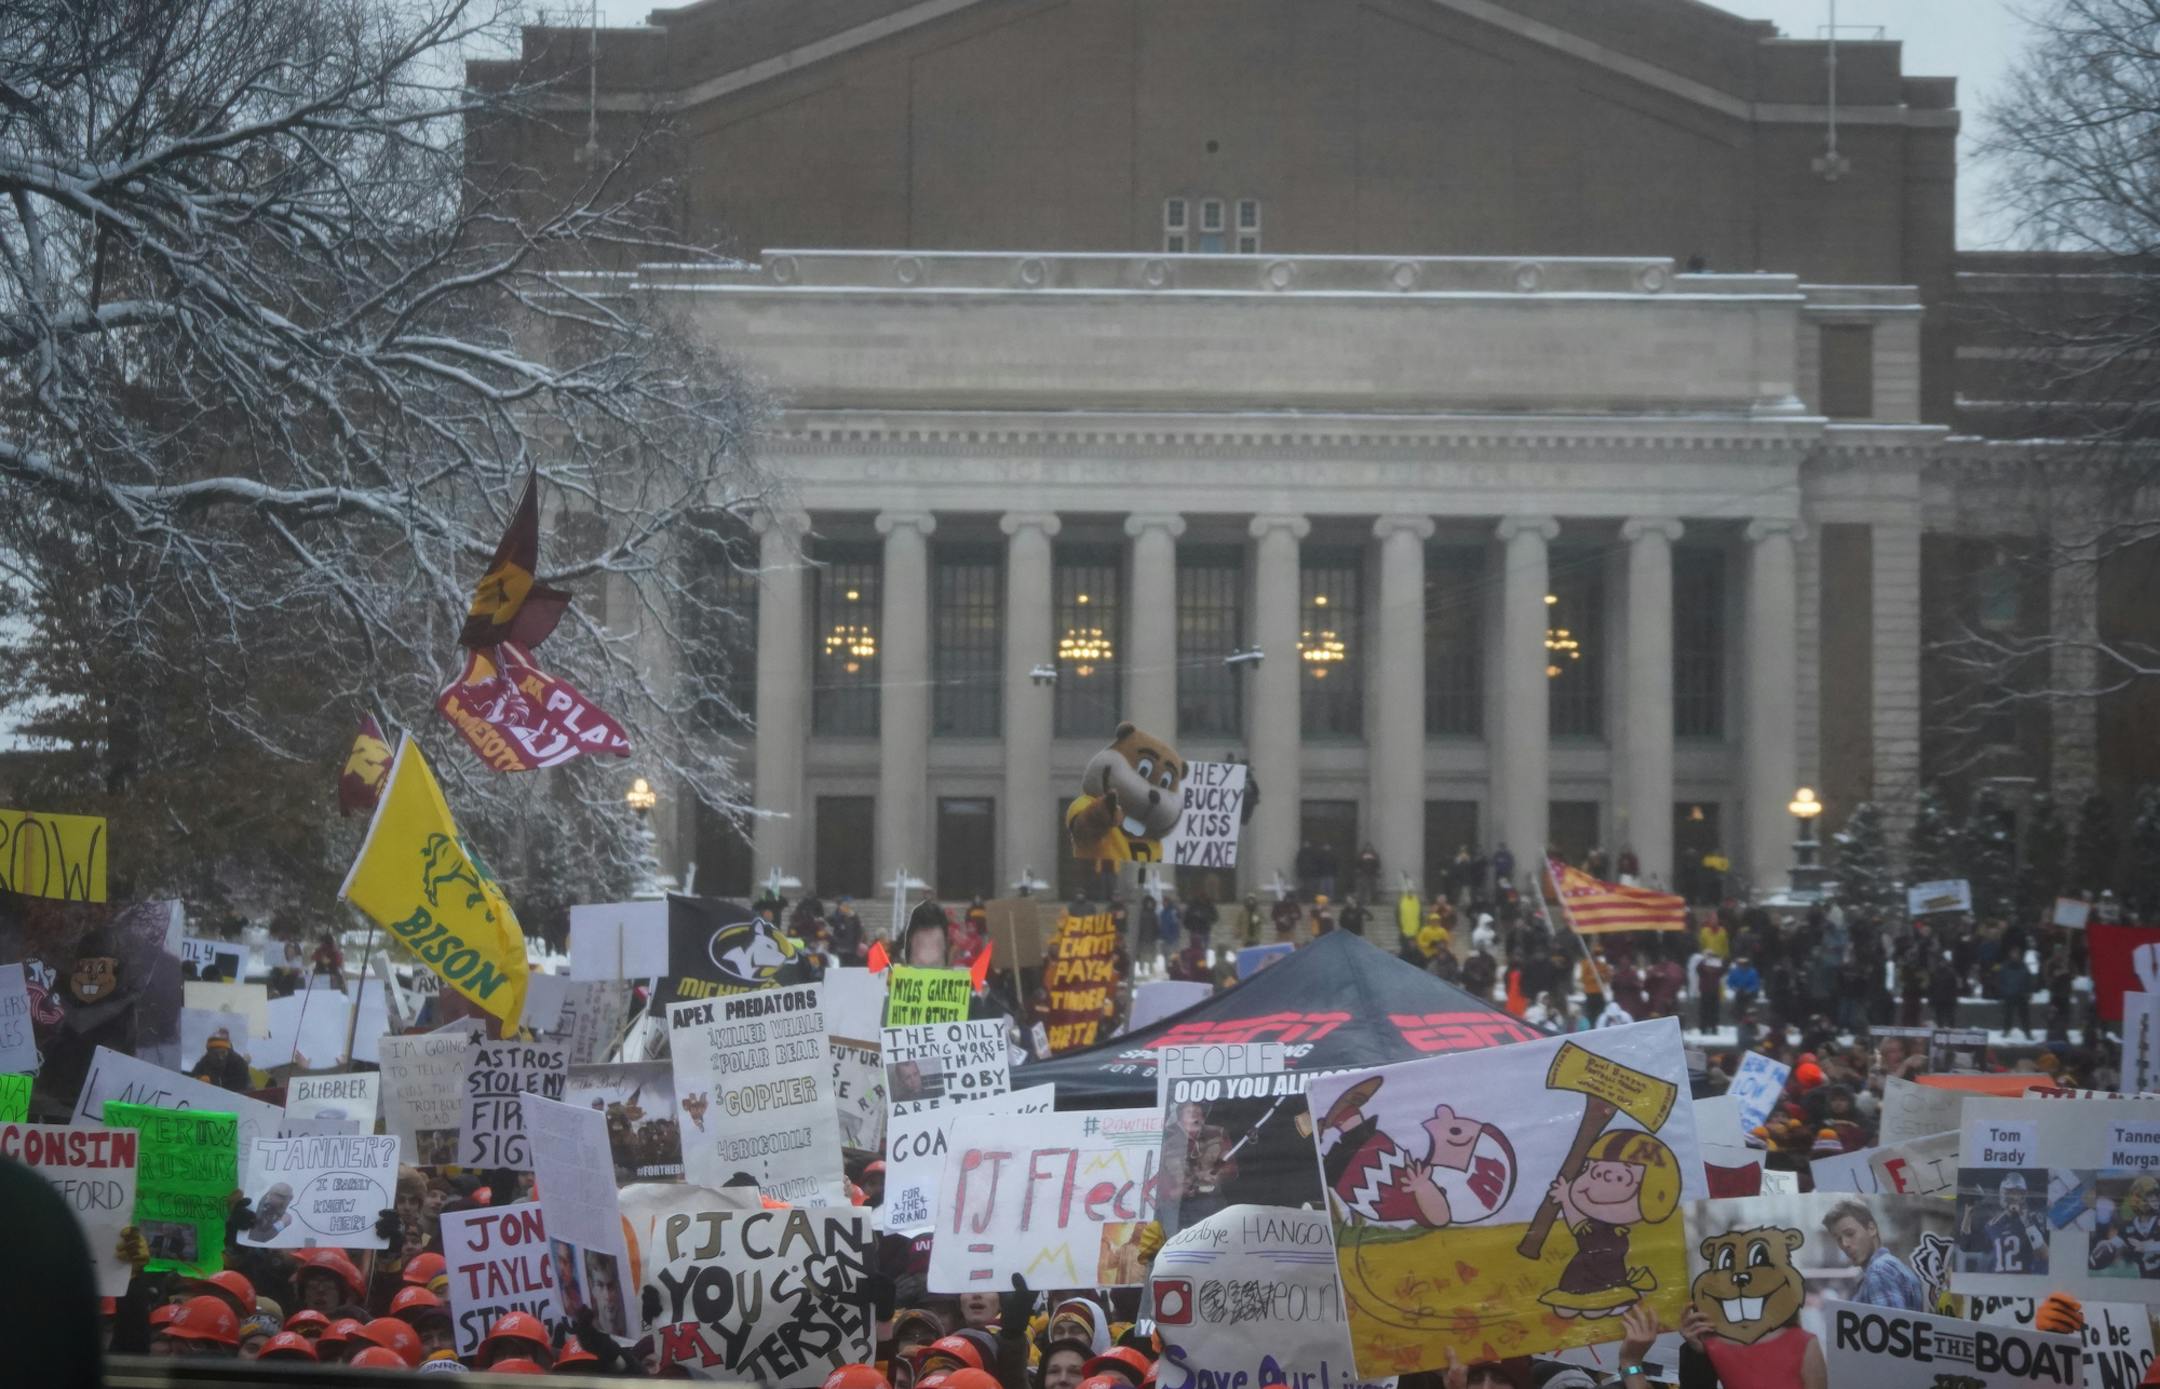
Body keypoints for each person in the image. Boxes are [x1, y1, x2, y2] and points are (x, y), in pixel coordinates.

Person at [1823, 1200, 1926, 1310]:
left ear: (1871, 1229)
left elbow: (1888, 1325)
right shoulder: (1890, 1266)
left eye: (1850, 1234)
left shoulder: (1879, 1271)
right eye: (1838, 1239)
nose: (1844, 1244)